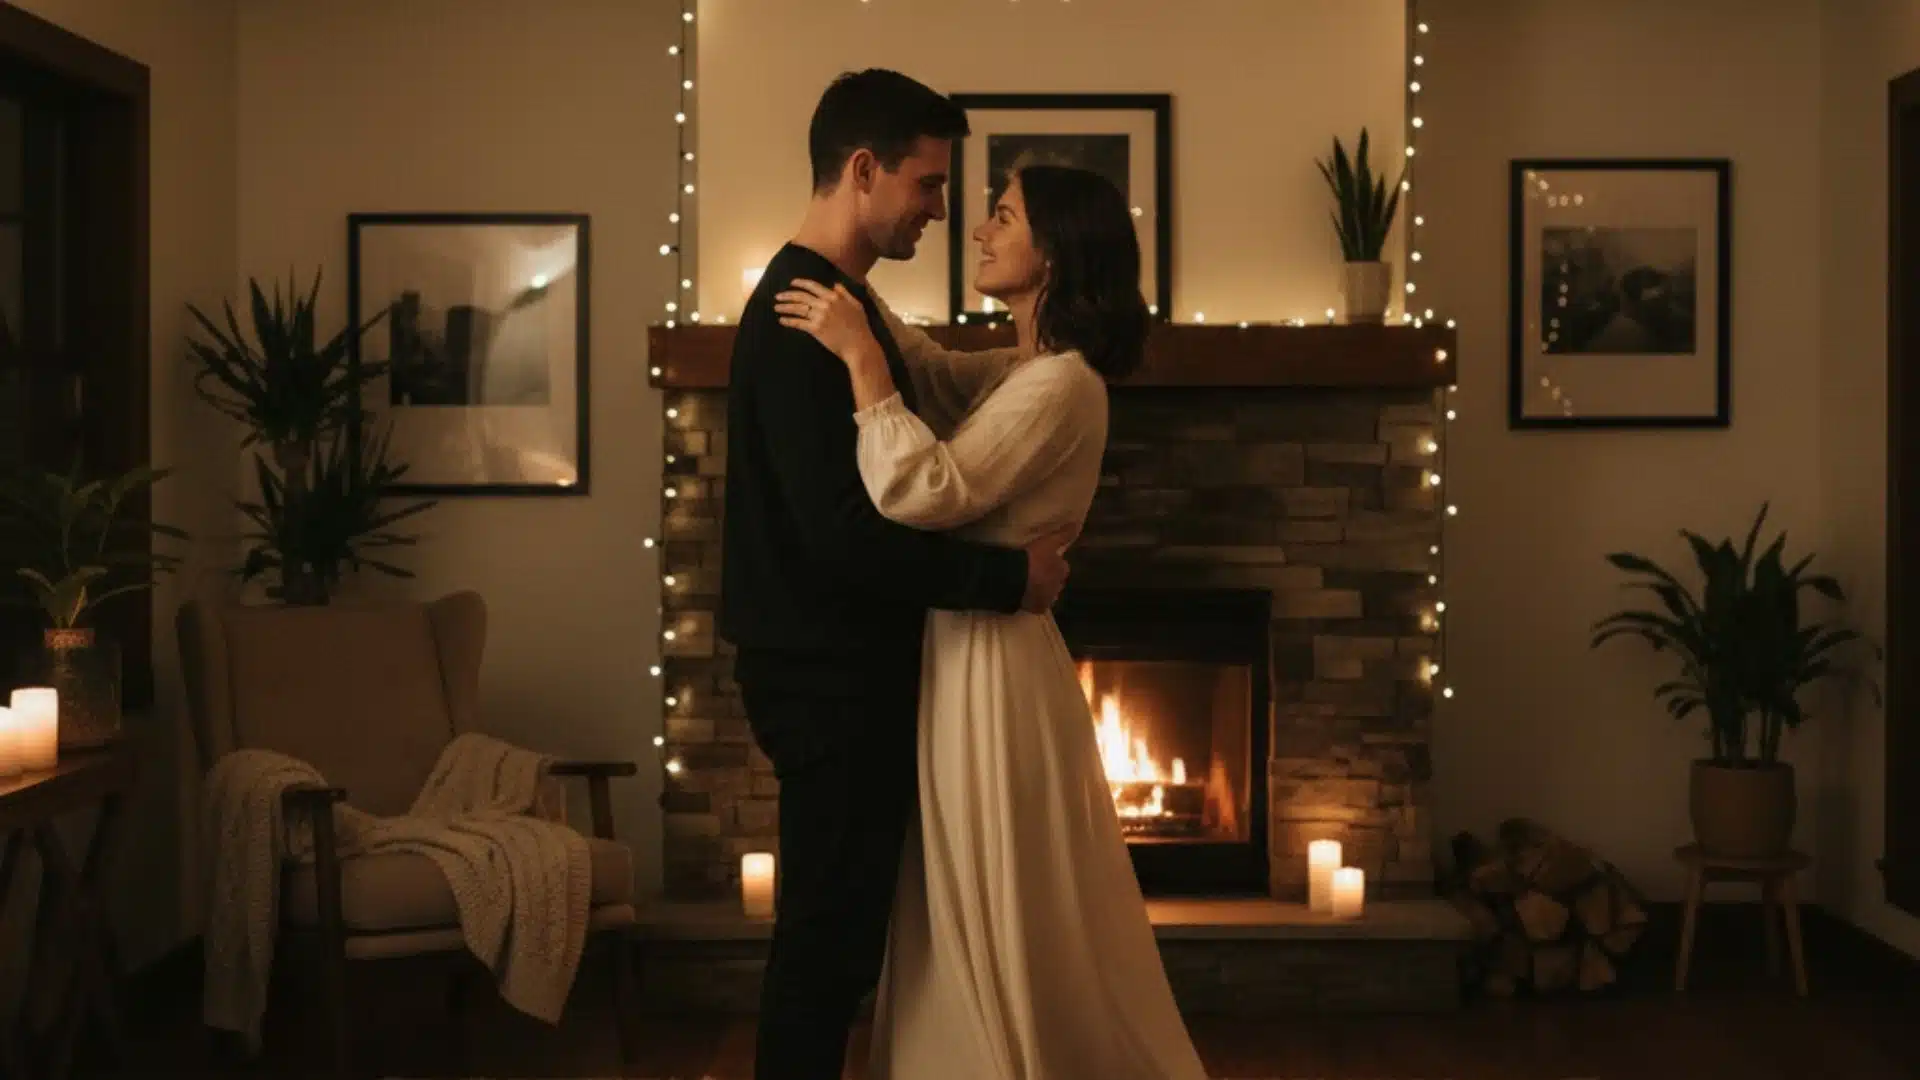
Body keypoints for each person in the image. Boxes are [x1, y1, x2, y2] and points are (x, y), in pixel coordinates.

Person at [775, 156, 1211, 1077]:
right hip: (967, 655)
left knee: (988, 889)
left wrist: (857, 356)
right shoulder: (1029, 370)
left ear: (1050, 253)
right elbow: (934, 374)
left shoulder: (1062, 387)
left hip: (991, 667)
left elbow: (922, 487)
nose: (978, 229)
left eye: (1001, 216)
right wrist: (847, 283)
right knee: (963, 890)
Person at [716, 68, 1074, 1080]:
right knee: (825, 945)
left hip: (840, 666)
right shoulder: (802, 317)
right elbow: (841, 534)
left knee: (838, 940)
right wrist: (1009, 583)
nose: (941, 209)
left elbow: (924, 409)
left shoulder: (848, 303)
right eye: (927, 183)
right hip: (820, 675)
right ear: (864, 170)